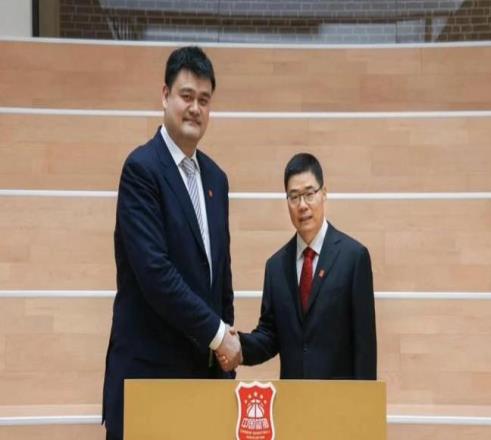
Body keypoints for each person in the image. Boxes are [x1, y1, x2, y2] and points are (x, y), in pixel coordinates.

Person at [102, 46, 241, 440]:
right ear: (165, 96)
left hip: (203, 384)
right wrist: (219, 336)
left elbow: (220, 275)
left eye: (204, 100)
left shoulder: (216, 179)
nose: (195, 108)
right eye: (186, 96)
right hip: (149, 381)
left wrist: (224, 359)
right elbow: (155, 274)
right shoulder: (141, 170)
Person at [220, 153, 376, 379]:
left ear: (324, 193)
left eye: (309, 194)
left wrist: (365, 400)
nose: (302, 205)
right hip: (292, 398)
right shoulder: (276, 267)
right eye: (294, 197)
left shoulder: (354, 257)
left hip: (339, 399)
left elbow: (365, 346)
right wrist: (236, 345)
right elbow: (269, 336)